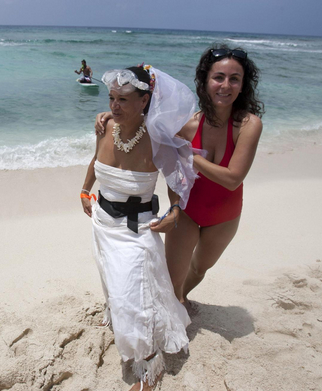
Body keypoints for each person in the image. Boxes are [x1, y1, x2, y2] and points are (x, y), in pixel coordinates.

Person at [96, 44, 264, 310]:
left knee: (199, 268)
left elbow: (233, 178)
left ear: (243, 86)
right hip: (188, 209)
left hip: (225, 214)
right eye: (218, 77)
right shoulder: (188, 125)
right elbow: (148, 125)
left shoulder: (249, 125)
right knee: (172, 280)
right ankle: (176, 306)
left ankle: (182, 299)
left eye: (234, 79)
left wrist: (186, 155)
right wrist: (113, 116)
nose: (225, 85)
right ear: (205, 81)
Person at [81, 65, 199, 391]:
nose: (114, 106)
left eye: (123, 99)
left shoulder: (158, 136)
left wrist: (174, 212)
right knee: (110, 278)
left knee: (133, 296)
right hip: (103, 222)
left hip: (136, 230)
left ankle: (150, 367)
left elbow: (176, 181)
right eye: (112, 98)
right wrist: (84, 190)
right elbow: (94, 162)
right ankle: (113, 311)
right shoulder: (105, 128)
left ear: (145, 100)